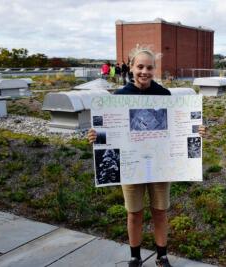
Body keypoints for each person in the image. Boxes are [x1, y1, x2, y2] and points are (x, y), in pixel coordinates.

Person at [88, 47, 205, 267]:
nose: (144, 71)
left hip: (160, 164)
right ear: (131, 67)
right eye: (140, 66)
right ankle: (135, 256)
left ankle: (162, 256)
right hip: (132, 166)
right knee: (134, 213)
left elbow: (176, 130)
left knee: (160, 212)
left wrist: (195, 130)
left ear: (155, 69)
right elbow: (112, 133)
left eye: (149, 67)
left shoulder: (164, 95)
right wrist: (97, 135)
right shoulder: (120, 97)